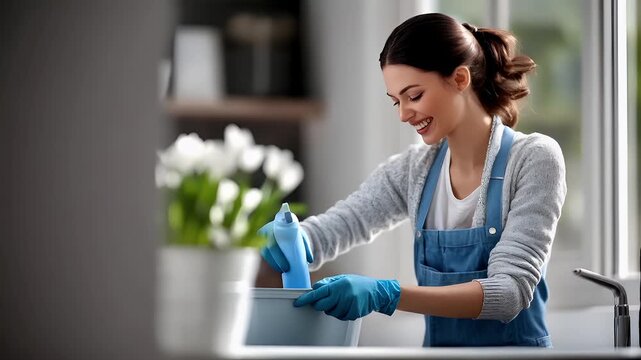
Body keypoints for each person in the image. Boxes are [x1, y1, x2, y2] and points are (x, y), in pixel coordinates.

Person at [258, 12, 566, 347]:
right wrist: (299, 239)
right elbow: (346, 222)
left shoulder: (534, 158)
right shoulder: (413, 170)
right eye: (396, 101)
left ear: (460, 79)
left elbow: (509, 292)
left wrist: (387, 294)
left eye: (414, 95)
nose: (404, 114)